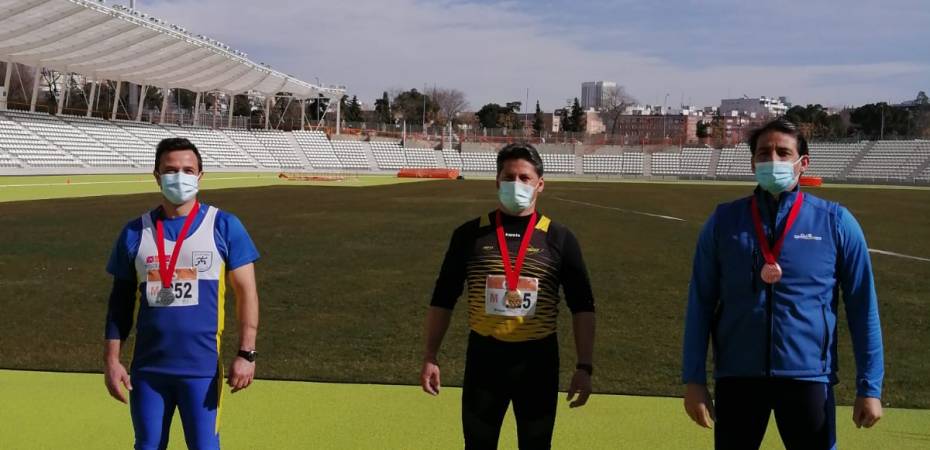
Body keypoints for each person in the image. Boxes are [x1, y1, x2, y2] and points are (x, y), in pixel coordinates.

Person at [681, 119, 884, 449]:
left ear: (803, 163)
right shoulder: (723, 222)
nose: (772, 160)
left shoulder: (835, 222)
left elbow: (863, 309)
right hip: (738, 377)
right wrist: (693, 380)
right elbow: (700, 304)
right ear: (752, 163)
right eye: (764, 153)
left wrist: (870, 387)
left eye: (783, 152)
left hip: (808, 377)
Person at [420, 143, 596, 449]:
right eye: (509, 177)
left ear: (540, 184)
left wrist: (584, 366)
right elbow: (443, 298)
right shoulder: (469, 235)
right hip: (485, 358)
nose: (516, 184)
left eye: (525, 178)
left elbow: (582, 306)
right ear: (497, 181)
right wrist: (430, 356)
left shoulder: (559, 238)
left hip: (538, 361)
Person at [104, 138, 260, 450]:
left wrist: (246, 354)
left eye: (188, 170)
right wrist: (111, 360)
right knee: (147, 446)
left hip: (201, 371)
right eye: (170, 170)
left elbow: (247, 294)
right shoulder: (135, 232)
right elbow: (119, 305)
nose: (179, 176)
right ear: (157, 176)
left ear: (200, 176)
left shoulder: (224, 226)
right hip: (148, 372)